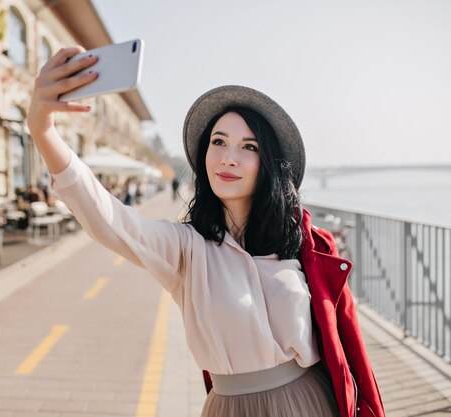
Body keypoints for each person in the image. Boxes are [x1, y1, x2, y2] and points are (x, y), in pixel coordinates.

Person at [27, 46, 384, 417]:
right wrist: (42, 128)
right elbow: (106, 216)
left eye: (249, 146)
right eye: (218, 142)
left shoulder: (301, 242)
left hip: (312, 401)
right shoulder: (186, 249)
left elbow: (344, 344)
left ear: (270, 165)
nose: (228, 157)